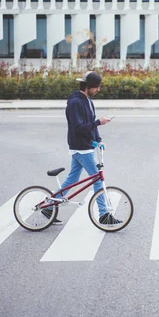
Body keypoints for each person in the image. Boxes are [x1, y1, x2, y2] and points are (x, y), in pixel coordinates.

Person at [42, 71, 122, 225]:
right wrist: (99, 122)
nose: (98, 90)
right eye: (96, 87)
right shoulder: (75, 103)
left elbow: (91, 122)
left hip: (85, 146)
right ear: (88, 86)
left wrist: (98, 140)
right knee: (97, 180)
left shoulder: (88, 100)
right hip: (80, 147)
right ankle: (104, 214)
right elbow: (79, 127)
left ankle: (49, 207)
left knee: (73, 178)